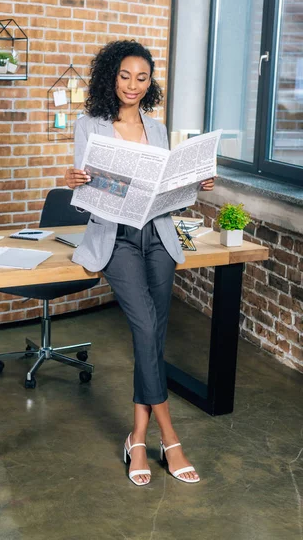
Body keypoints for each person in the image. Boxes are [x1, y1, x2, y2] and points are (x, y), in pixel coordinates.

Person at [64, 40, 214, 486]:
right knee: (146, 329)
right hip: (117, 238)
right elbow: (86, 193)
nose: (133, 85)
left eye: (142, 77)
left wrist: (193, 184)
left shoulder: (159, 127)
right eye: (125, 75)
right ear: (112, 77)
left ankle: (137, 437)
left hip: (158, 236)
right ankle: (170, 438)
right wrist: (72, 181)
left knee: (155, 337)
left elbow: (164, 190)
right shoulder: (89, 124)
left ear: (150, 82)